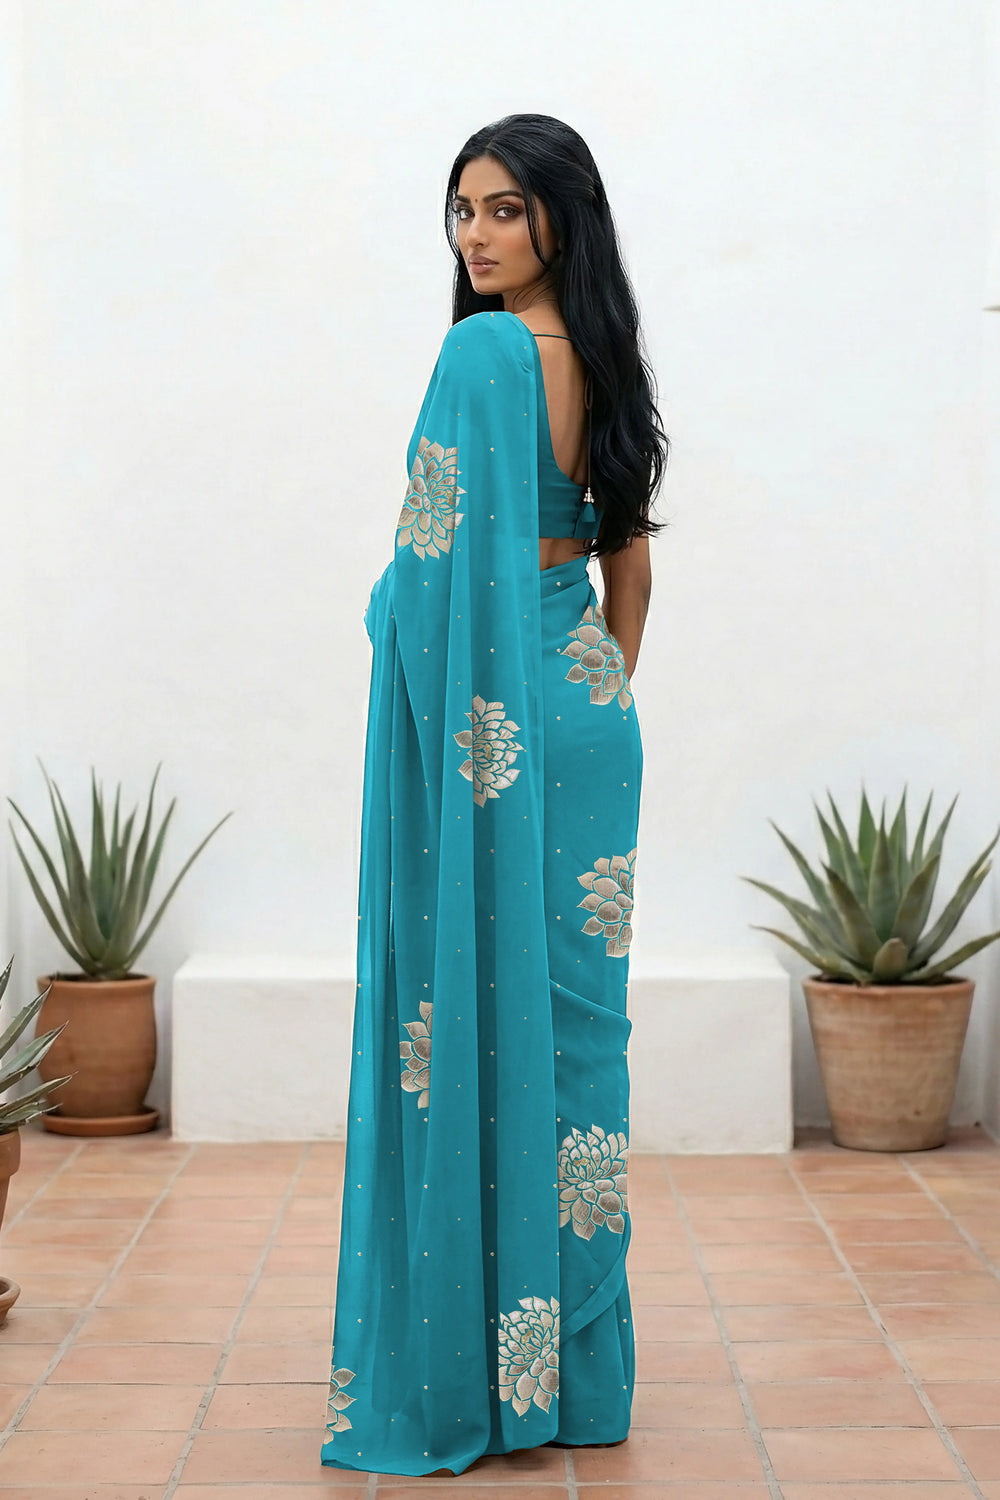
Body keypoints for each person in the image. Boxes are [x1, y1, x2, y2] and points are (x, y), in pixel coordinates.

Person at [321, 112, 669, 1480]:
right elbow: (626, 562)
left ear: (559, 221)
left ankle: (471, 1367)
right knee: (579, 1048)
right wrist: (593, 690)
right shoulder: (607, 358)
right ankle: (577, 1382)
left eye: (506, 210)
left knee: (466, 1017)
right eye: (462, 210)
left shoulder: (476, 353)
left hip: (485, 718)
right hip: (576, 705)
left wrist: (416, 644)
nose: (477, 235)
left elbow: (421, 569)